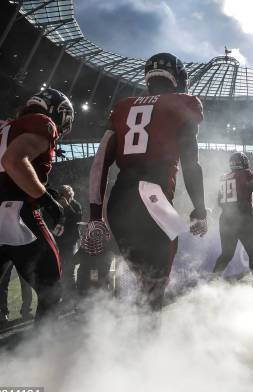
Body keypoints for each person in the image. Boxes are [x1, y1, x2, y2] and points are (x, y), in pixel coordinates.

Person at [87, 53, 208, 315]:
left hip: (119, 202)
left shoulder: (123, 106)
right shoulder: (183, 102)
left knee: (145, 284)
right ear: (178, 77)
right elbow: (190, 163)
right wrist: (200, 208)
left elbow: (99, 163)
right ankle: (148, 347)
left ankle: (139, 341)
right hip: (152, 198)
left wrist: (95, 215)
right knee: (155, 288)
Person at [0, 88, 73, 323]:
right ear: (55, 109)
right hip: (17, 213)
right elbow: (13, 160)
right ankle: (42, 356)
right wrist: (47, 200)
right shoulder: (43, 122)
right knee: (51, 290)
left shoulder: (2, 131)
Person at [213, 152, 253, 283]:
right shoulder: (245, 174)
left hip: (226, 219)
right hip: (243, 218)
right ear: (244, 162)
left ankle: (212, 281)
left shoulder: (223, 177)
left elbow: (219, 201)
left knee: (226, 254)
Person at [56, 184, 82, 305]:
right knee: (60, 270)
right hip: (58, 241)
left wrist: (67, 206)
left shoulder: (76, 205)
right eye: (61, 194)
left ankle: (72, 298)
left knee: (70, 269)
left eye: (66, 194)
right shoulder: (56, 205)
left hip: (70, 241)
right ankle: (64, 296)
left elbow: (77, 220)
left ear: (70, 195)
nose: (63, 197)